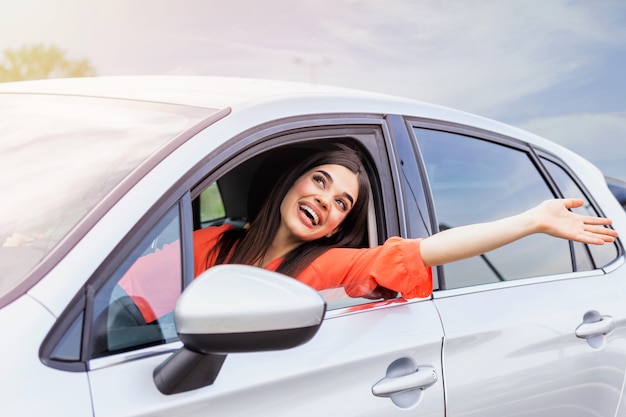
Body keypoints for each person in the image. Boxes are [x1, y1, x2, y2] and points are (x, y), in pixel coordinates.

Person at [192, 145, 618, 301]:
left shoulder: (332, 265)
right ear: (292, 182)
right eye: (319, 180)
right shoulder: (210, 241)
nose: (323, 200)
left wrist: (531, 221)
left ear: (338, 227)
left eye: (341, 202)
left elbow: (425, 251)